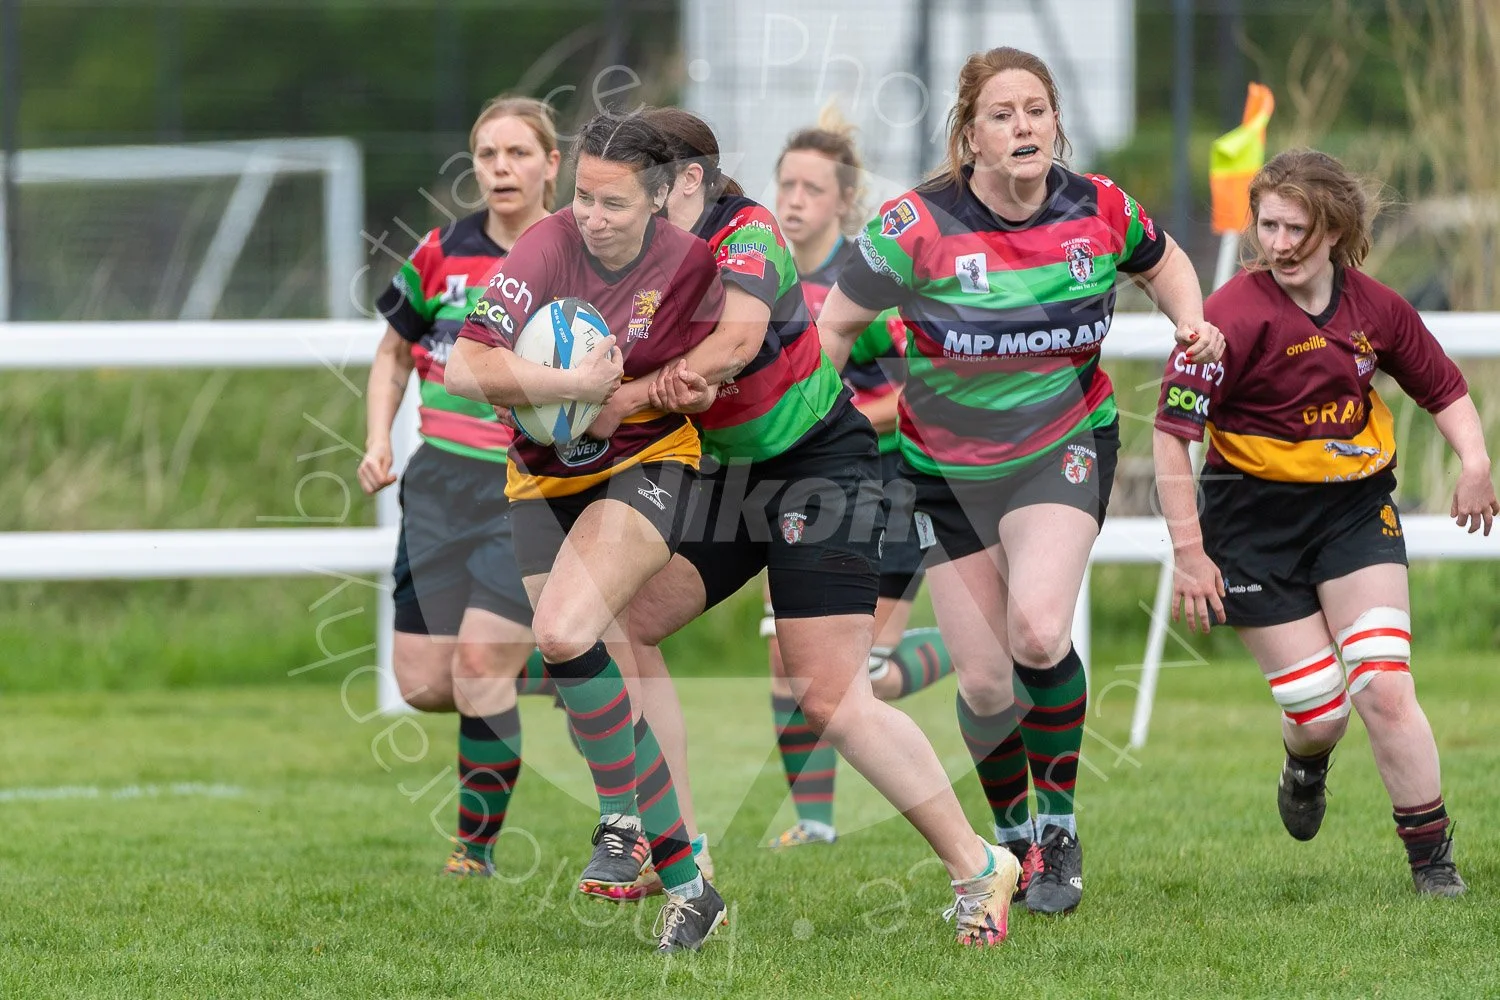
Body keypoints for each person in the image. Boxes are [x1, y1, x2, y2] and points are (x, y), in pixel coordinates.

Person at [818, 47, 1225, 915]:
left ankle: (1061, 827)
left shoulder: (1099, 207)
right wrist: (819, 433)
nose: (1024, 126)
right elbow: (835, 327)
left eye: (1036, 110)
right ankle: (1011, 840)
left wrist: (1191, 321)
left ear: (1055, 124)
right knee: (984, 684)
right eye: (1003, 114)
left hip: (1062, 447)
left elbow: (1170, 264)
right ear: (971, 136)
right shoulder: (914, 224)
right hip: (945, 474)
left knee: (1038, 631)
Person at [618, 105, 1024, 947]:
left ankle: (981, 865)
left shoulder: (747, 233)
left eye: (632, 192)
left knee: (832, 695)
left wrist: (649, 390)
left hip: (823, 469)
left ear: (686, 180)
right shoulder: (640, 254)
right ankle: (681, 856)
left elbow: (733, 343)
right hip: (730, 471)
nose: (617, 210)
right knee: (628, 619)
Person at [1153, 149, 1495, 897]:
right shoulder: (1229, 317)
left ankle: (1433, 862)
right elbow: (1171, 436)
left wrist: (1474, 462)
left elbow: (1443, 387)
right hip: (1249, 527)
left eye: (1294, 228)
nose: (1276, 242)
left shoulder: (1376, 308)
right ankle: (1305, 761)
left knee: (1383, 685)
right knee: (1321, 712)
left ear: (1335, 230)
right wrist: (1188, 552)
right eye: (1267, 224)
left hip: (1352, 511)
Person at [445, 111, 731, 954]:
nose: (593, 217)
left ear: (656, 200)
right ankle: (683, 878)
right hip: (540, 475)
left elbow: (715, 370)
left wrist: (685, 391)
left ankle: (626, 824)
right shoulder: (542, 247)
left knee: (564, 631)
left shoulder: (689, 264)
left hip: (648, 461)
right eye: (583, 199)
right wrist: (568, 381)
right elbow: (467, 365)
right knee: (576, 661)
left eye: (613, 203)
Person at [358, 95, 562, 877]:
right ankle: (578, 668)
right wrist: (379, 437)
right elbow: (391, 354)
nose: (501, 169)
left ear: (551, 163)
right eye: (486, 155)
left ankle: (471, 851)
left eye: (517, 153)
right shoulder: (442, 251)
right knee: (423, 684)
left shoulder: (574, 254)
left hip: (527, 485)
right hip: (438, 482)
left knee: (479, 667)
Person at [764, 112, 956, 850]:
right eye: (786, 183)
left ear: (844, 202)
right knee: (789, 658)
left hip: (889, 485)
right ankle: (815, 820)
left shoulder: (865, 280)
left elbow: (921, 391)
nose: (794, 199)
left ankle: (975, 649)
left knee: (861, 678)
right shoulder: (767, 279)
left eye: (813, 187)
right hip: (796, 491)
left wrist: (830, 417)